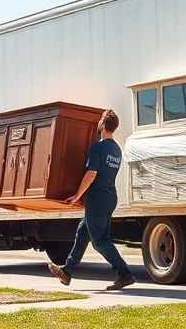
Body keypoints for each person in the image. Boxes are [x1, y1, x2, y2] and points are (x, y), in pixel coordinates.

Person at [47, 109, 135, 290]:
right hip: (109, 197)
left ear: (102, 125)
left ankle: (125, 273)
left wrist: (77, 195)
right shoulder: (116, 150)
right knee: (82, 232)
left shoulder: (98, 147)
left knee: (100, 241)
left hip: (98, 198)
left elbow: (91, 174)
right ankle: (67, 271)